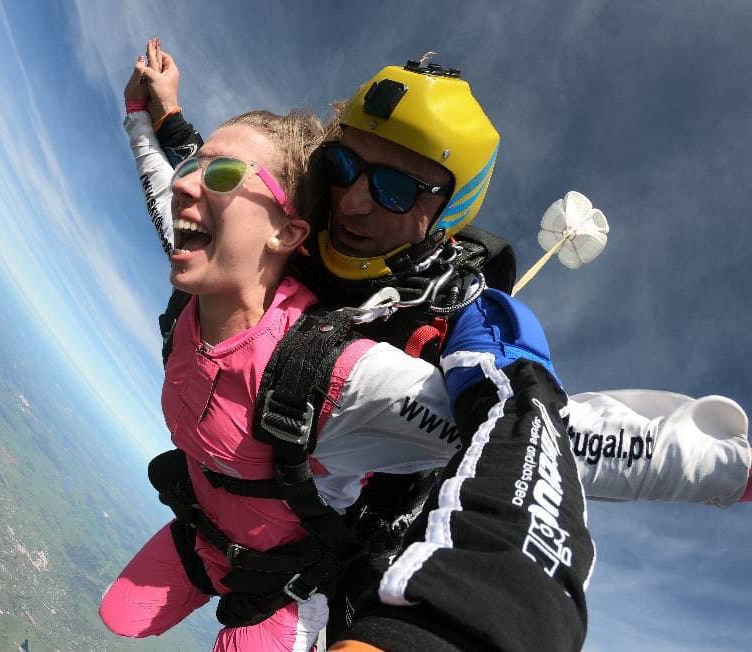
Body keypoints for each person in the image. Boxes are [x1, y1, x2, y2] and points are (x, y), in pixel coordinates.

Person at [122, 40, 750, 650]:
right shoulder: (290, 241)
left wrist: (733, 468)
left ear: (446, 212)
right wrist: (165, 118)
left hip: (308, 549)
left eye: (396, 188)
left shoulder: (465, 316)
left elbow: (538, 428)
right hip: (220, 507)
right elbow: (211, 200)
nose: (355, 201)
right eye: (343, 167)